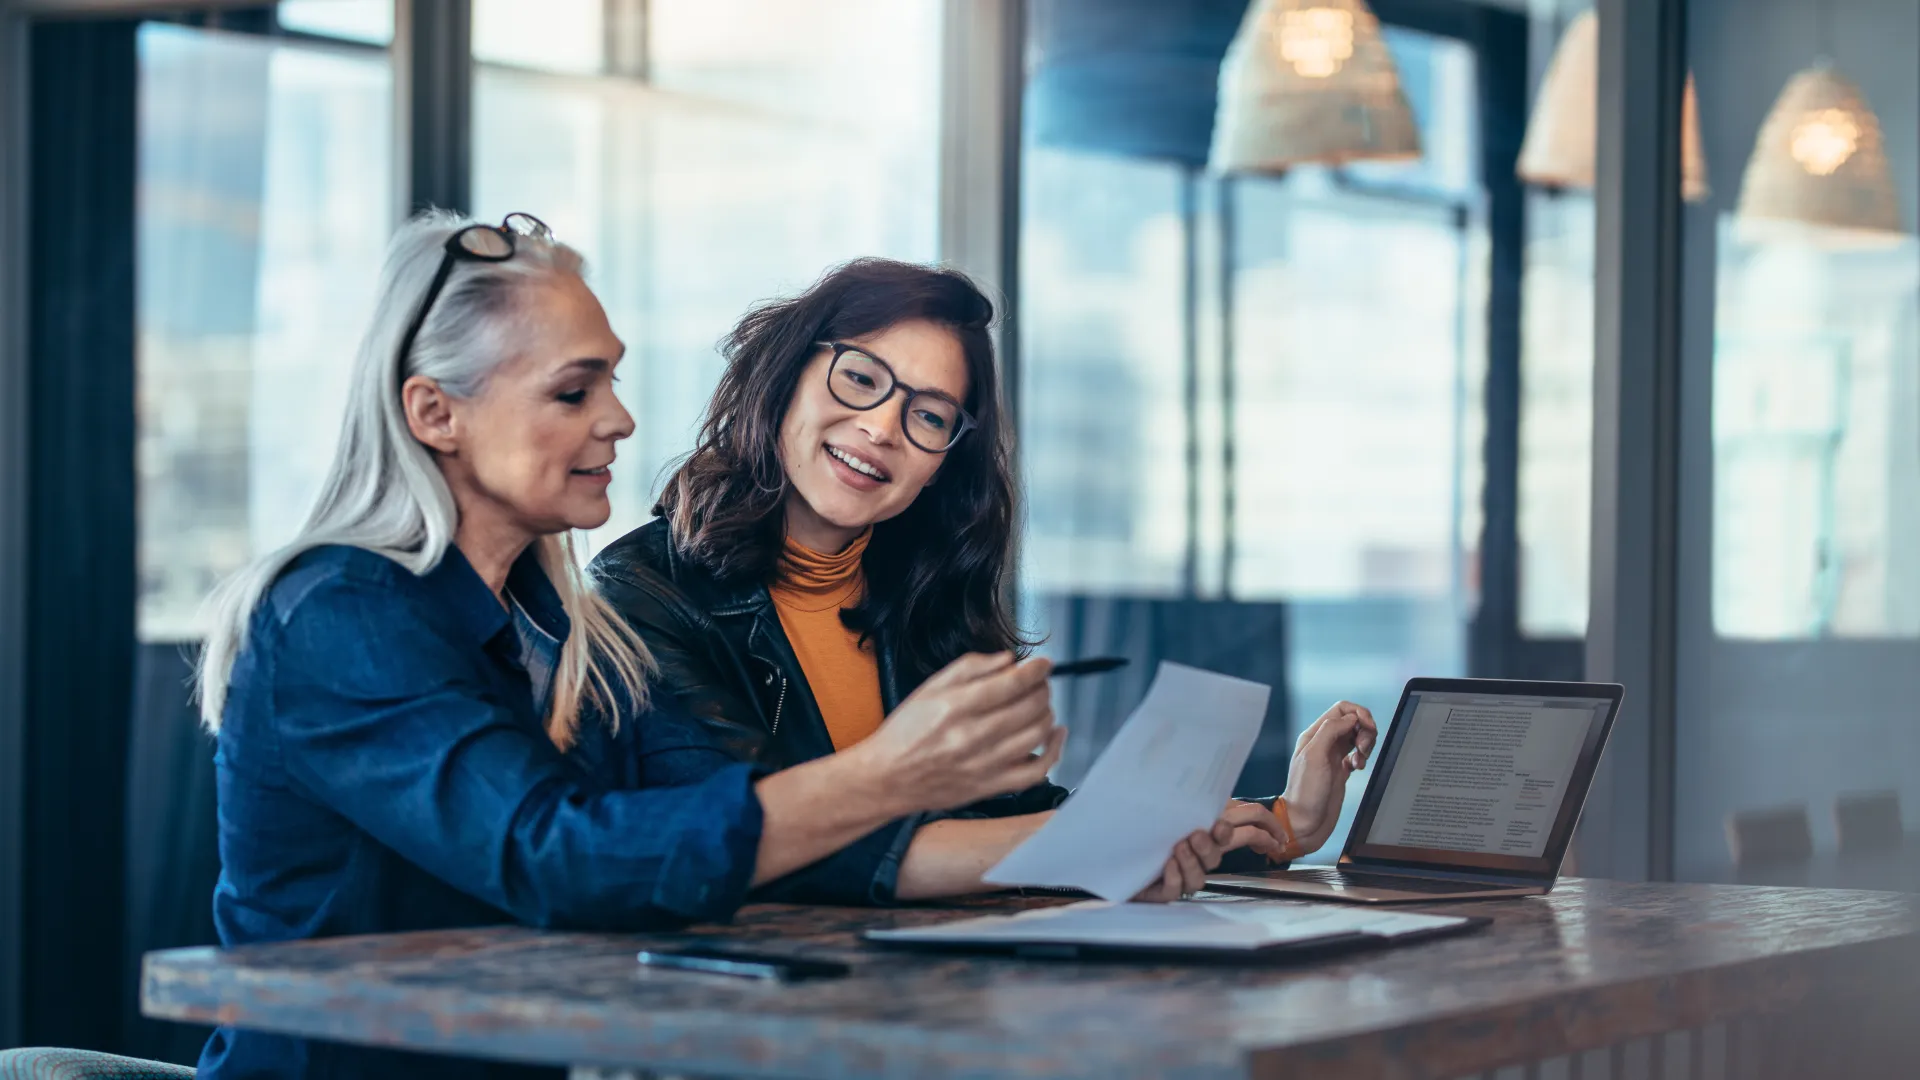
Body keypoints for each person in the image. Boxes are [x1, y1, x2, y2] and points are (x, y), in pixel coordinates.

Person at [192, 215, 1270, 1080]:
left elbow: (734, 821)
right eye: (574, 391)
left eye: (611, 379)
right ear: (435, 413)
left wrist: (1113, 847)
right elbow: (556, 857)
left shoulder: (567, 629)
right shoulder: (339, 614)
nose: (618, 419)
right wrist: (895, 774)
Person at [591, 257, 1378, 905]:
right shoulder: (639, 596)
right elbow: (762, 842)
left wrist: (1285, 821)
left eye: (929, 416)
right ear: (786, 375)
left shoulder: (920, 598)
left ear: (943, 465)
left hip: (926, 1001)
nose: (882, 428)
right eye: (860, 378)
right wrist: (1106, 843)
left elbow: (1013, 820)